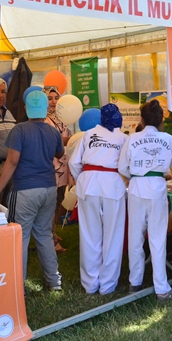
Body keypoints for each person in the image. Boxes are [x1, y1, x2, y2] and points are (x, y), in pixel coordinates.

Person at [0, 90, 64, 291]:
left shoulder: (19, 130)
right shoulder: (52, 131)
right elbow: (60, 152)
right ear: (45, 108)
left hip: (24, 190)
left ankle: (17, 286)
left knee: (19, 237)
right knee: (44, 235)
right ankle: (54, 282)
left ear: (26, 108)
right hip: (49, 188)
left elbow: (12, 161)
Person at [119, 99, 172, 301]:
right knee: (157, 238)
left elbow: (122, 167)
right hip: (157, 188)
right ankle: (161, 288)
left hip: (137, 188)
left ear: (142, 119)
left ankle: (135, 282)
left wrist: (136, 175)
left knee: (135, 237)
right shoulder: (165, 138)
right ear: (160, 120)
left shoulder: (132, 138)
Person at [69, 104, 127, 295]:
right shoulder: (123, 138)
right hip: (113, 185)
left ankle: (90, 284)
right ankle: (108, 285)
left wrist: (83, 180)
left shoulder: (89, 134)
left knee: (90, 235)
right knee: (113, 236)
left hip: (89, 184)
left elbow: (73, 162)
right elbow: (126, 167)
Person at [44, 85, 72, 252]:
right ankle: (51, 240)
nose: (53, 102)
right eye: (49, 98)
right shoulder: (43, 120)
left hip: (62, 162)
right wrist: (71, 140)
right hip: (51, 164)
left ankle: (52, 231)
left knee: (59, 199)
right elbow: (54, 141)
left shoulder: (63, 117)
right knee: (51, 203)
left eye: (56, 98)